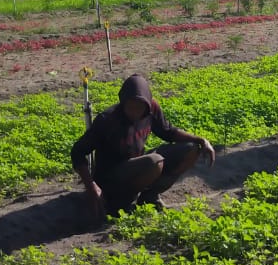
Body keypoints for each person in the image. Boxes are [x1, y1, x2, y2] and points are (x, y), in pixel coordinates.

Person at [71, 72, 215, 217]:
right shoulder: (108, 120)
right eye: (130, 107)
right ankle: (123, 202)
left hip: (137, 164)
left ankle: (149, 197)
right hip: (112, 176)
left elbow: (168, 132)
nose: (134, 112)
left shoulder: (152, 108)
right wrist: (91, 186)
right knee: (155, 162)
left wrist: (201, 140)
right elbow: (77, 152)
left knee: (191, 149)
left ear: (147, 104)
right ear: (123, 103)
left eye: (139, 108)